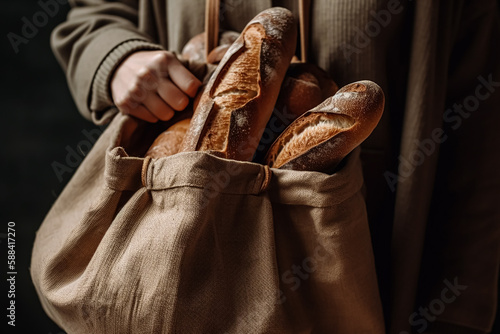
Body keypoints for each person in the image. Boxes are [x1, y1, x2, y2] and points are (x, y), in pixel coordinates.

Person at [50, 0, 500, 333]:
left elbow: (477, 139)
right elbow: (93, 16)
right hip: (169, 257)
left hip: (379, 259)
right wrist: (117, 58)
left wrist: (459, 315)